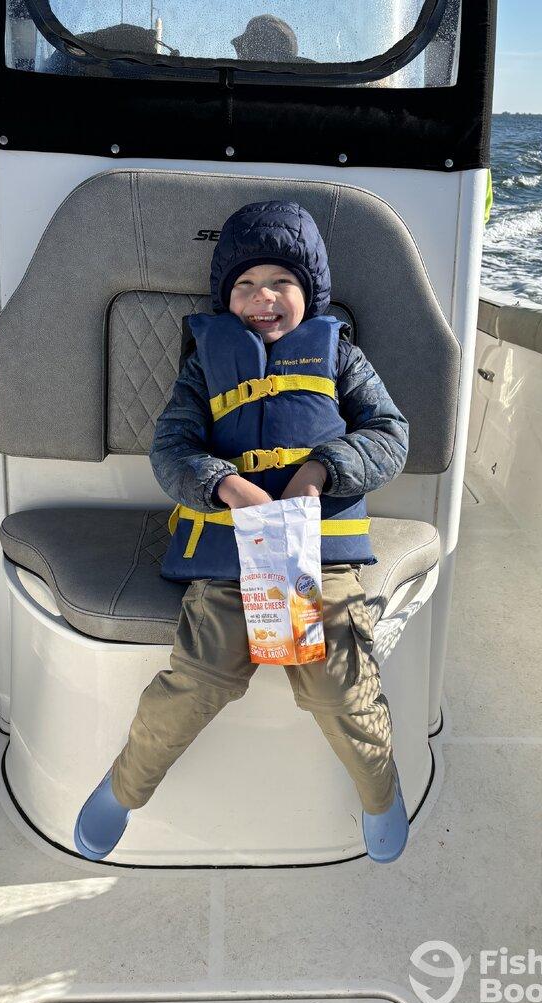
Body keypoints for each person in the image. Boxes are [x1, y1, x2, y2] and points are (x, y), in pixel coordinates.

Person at [74, 201, 411, 864]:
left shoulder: (341, 355)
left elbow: (390, 436)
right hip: (230, 551)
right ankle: (123, 788)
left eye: (281, 283)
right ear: (225, 299)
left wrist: (322, 469)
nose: (263, 297)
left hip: (314, 550)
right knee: (201, 677)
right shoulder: (204, 365)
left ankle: (380, 792)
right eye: (245, 285)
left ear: (309, 294)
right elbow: (172, 449)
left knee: (336, 685)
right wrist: (225, 483)